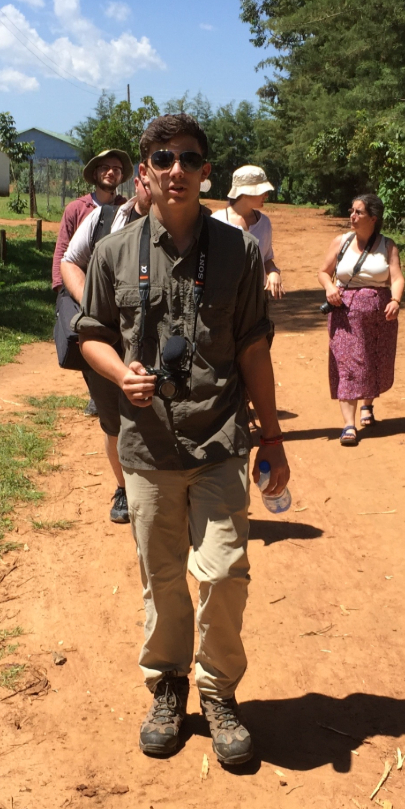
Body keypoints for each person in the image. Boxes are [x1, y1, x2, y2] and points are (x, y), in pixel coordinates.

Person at [76, 113, 289, 767]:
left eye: (188, 159)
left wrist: (274, 439)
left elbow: (254, 346)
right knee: (162, 578)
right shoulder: (115, 252)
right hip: (146, 449)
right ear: (146, 171)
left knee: (224, 573)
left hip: (220, 439)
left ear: (205, 172)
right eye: (162, 158)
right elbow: (90, 333)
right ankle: (167, 687)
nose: (175, 169)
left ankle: (218, 691)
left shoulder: (239, 253)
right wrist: (120, 374)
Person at [61, 173, 152, 524]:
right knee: (113, 421)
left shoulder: (186, 222)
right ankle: (124, 489)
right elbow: (69, 260)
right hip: (107, 340)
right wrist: (90, 302)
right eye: (147, 179)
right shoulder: (103, 219)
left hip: (158, 339)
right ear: (139, 180)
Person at [317, 193, 405, 445]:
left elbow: (397, 278)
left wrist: (395, 301)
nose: (352, 216)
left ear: (373, 218)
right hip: (344, 313)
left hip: (379, 315)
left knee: (373, 359)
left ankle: (368, 404)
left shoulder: (387, 246)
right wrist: (329, 288)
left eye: (358, 212)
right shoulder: (341, 242)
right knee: (349, 365)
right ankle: (348, 425)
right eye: (351, 210)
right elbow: (323, 272)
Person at [52, 149, 133, 417]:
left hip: (114, 284)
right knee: (84, 337)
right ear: (96, 173)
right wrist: (60, 289)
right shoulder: (77, 208)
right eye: (106, 168)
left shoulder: (126, 208)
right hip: (79, 284)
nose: (111, 172)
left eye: (117, 169)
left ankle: (113, 388)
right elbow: (64, 250)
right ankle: (96, 393)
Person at [211, 165, 284, 298]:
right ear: (245, 192)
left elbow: (266, 258)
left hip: (257, 298)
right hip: (224, 299)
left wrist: (273, 272)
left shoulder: (264, 223)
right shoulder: (216, 221)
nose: (266, 195)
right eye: (262, 191)